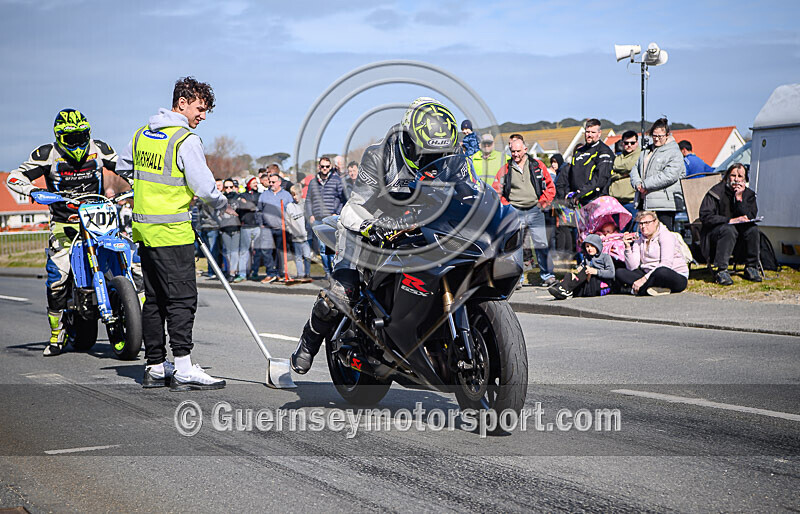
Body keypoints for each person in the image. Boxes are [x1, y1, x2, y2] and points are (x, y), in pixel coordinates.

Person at [291, 96, 459, 374]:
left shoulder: (451, 154)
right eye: (427, 150)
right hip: (370, 227)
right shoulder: (379, 155)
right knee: (340, 293)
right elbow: (354, 207)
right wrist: (373, 227)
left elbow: (468, 191)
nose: (433, 158)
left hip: (419, 228)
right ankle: (309, 341)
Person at [116, 76, 230, 390]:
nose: (202, 116)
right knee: (182, 300)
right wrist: (222, 203)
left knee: (154, 300)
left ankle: (154, 366)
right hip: (172, 233)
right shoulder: (185, 140)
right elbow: (205, 187)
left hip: (144, 231)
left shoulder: (141, 135)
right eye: (200, 108)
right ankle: (182, 367)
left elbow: (124, 166)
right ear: (182, 102)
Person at [6, 108, 132, 356]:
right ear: (59, 137)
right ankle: (57, 333)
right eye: (71, 138)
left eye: (81, 136)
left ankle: (129, 314)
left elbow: (127, 168)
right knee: (58, 276)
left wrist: (137, 183)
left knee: (127, 260)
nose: (77, 142)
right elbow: (14, 177)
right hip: (65, 223)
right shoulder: (46, 154)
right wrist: (33, 191)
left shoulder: (100, 148)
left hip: (99, 220)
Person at [492, 135, 556, 287]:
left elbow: (550, 187)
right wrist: (508, 206)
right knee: (515, 246)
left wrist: (542, 203)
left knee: (541, 243)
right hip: (515, 211)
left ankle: (547, 275)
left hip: (535, 209)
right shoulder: (505, 169)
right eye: (512, 151)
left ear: (525, 150)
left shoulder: (537, 165)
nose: (515, 154)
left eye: (518, 151)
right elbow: (497, 191)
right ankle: (517, 279)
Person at [698, 163, 761, 285]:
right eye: (733, 175)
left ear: (745, 179)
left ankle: (752, 267)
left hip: (740, 238)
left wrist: (739, 199)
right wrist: (729, 221)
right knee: (729, 230)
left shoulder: (748, 194)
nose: (736, 179)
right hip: (715, 235)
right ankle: (722, 270)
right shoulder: (716, 192)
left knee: (753, 229)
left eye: (740, 176)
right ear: (727, 176)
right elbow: (705, 216)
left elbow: (751, 216)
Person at [630, 118, 686, 231]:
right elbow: (635, 168)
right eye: (654, 136)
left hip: (664, 203)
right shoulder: (646, 151)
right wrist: (637, 184)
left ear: (667, 135)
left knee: (664, 236)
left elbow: (670, 175)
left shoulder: (674, 152)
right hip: (645, 201)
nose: (656, 139)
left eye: (660, 136)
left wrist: (645, 184)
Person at [615, 211, 689, 296]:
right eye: (641, 224)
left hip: (672, 274)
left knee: (661, 272)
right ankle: (653, 289)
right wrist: (627, 247)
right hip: (648, 274)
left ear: (655, 222)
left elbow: (666, 264)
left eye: (647, 223)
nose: (643, 227)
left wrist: (643, 280)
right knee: (620, 272)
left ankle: (639, 291)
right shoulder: (639, 240)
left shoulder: (666, 236)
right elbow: (633, 267)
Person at [555, 118, 614, 207]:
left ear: (599, 133)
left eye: (593, 132)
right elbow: (570, 175)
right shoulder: (579, 152)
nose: (589, 135)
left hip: (595, 200)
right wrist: (568, 194)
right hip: (576, 201)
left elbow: (600, 178)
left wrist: (580, 193)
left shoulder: (604, 151)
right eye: (587, 132)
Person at [305, 157, 347, 277]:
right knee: (322, 249)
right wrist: (310, 215)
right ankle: (327, 272)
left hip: (331, 219)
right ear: (319, 167)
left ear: (330, 167)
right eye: (322, 166)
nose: (324, 169)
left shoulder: (336, 180)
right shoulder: (313, 182)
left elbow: (343, 199)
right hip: (318, 219)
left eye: (327, 166)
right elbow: (308, 200)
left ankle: (334, 271)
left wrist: (337, 213)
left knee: (332, 247)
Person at [548, 234, 615, 299]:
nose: (589, 249)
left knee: (586, 269)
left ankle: (566, 289)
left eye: (592, 246)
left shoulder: (605, 257)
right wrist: (579, 269)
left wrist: (596, 271)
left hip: (600, 284)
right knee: (570, 274)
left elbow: (611, 273)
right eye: (587, 246)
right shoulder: (586, 258)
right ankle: (563, 289)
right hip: (588, 283)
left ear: (598, 246)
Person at [257, 173, 294, 283]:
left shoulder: (286, 195)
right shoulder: (264, 195)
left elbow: (291, 211)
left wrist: (288, 223)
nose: (271, 184)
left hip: (281, 228)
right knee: (266, 251)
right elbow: (258, 210)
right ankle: (270, 273)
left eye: (273, 182)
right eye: (270, 182)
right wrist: (260, 223)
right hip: (267, 228)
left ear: (279, 183)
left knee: (280, 252)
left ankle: (279, 273)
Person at [609, 130, 641, 228]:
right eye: (626, 143)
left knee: (633, 233)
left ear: (637, 142)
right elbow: (610, 170)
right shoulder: (618, 157)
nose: (629, 145)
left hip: (632, 202)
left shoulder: (640, 155)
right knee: (618, 232)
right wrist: (624, 174)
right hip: (616, 202)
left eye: (632, 143)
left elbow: (629, 165)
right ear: (622, 143)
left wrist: (618, 170)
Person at [286, 184, 313, 282]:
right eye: (293, 195)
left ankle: (307, 273)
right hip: (296, 237)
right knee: (298, 257)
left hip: (306, 236)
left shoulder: (306, 203)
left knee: (307, 256)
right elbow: (287, 221)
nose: (295, 197)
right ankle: (300, 274)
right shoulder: (289, 206)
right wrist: (290, 231)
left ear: (300, 194)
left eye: (296, 194)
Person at [219, 179, 243, 282]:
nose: (229, 189)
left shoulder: (238, 198)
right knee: (227, 252)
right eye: (226, 187)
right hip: (225, 228)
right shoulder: (221, 199)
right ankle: (229, 271)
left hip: (236, 228)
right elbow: (217, 213)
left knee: (234, 251)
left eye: (230, 187)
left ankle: (233, 272)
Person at [238, 177, 261, 281]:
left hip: (257, 226)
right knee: (244, 251)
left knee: (257, 251)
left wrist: (248, 204)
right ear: (248, 184)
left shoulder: (259, 195)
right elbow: (241, 206)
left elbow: (258, 206)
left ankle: (255, 272)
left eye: (256, 182)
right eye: (254, 182)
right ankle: (242, 274)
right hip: (246, 226)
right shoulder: (242, 195)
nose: (256, 184)